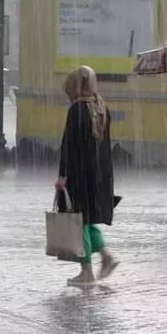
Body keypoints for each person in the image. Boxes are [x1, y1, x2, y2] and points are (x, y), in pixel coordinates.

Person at [55, 66, 118, 286]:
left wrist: (63, 176)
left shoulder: (77, 110)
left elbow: (68, 147)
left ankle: (87, 272)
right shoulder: (102, 107)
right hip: (99, 174)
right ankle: (106, 256)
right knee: (88, 218)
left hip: (79, 174)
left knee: (78, 222)